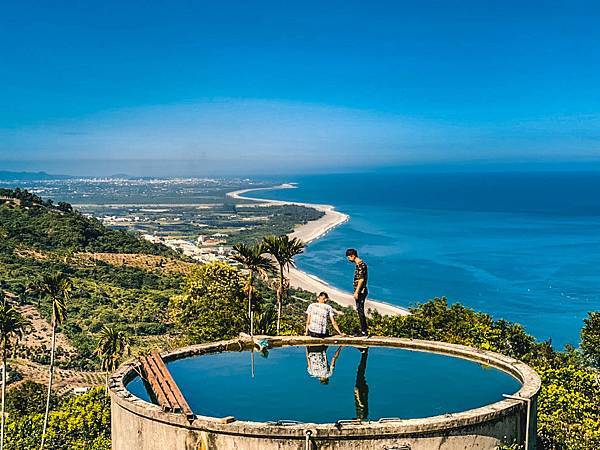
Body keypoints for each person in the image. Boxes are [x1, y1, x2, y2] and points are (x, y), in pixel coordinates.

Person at [345, 248, 369, 336]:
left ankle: (364, 331)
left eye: (348, 257)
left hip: (361, 291)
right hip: (360, 291)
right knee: (359, 310)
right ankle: (363, 330)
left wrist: (356, 292)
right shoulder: (360, 265)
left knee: (360, 310)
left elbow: (361, 279)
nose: (348, 259)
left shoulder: (361, 265)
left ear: (353, 255)